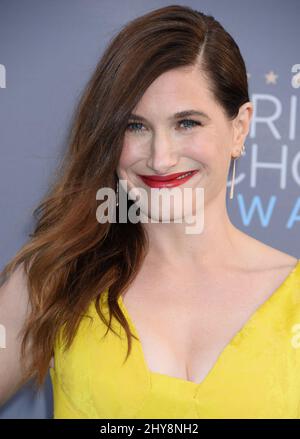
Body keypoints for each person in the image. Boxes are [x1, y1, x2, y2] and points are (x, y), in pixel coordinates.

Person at [0, 4, 299, 419]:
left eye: (187, 123)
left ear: (239, 127)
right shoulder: (53, 282)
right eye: (135, 126)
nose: (161, 158)